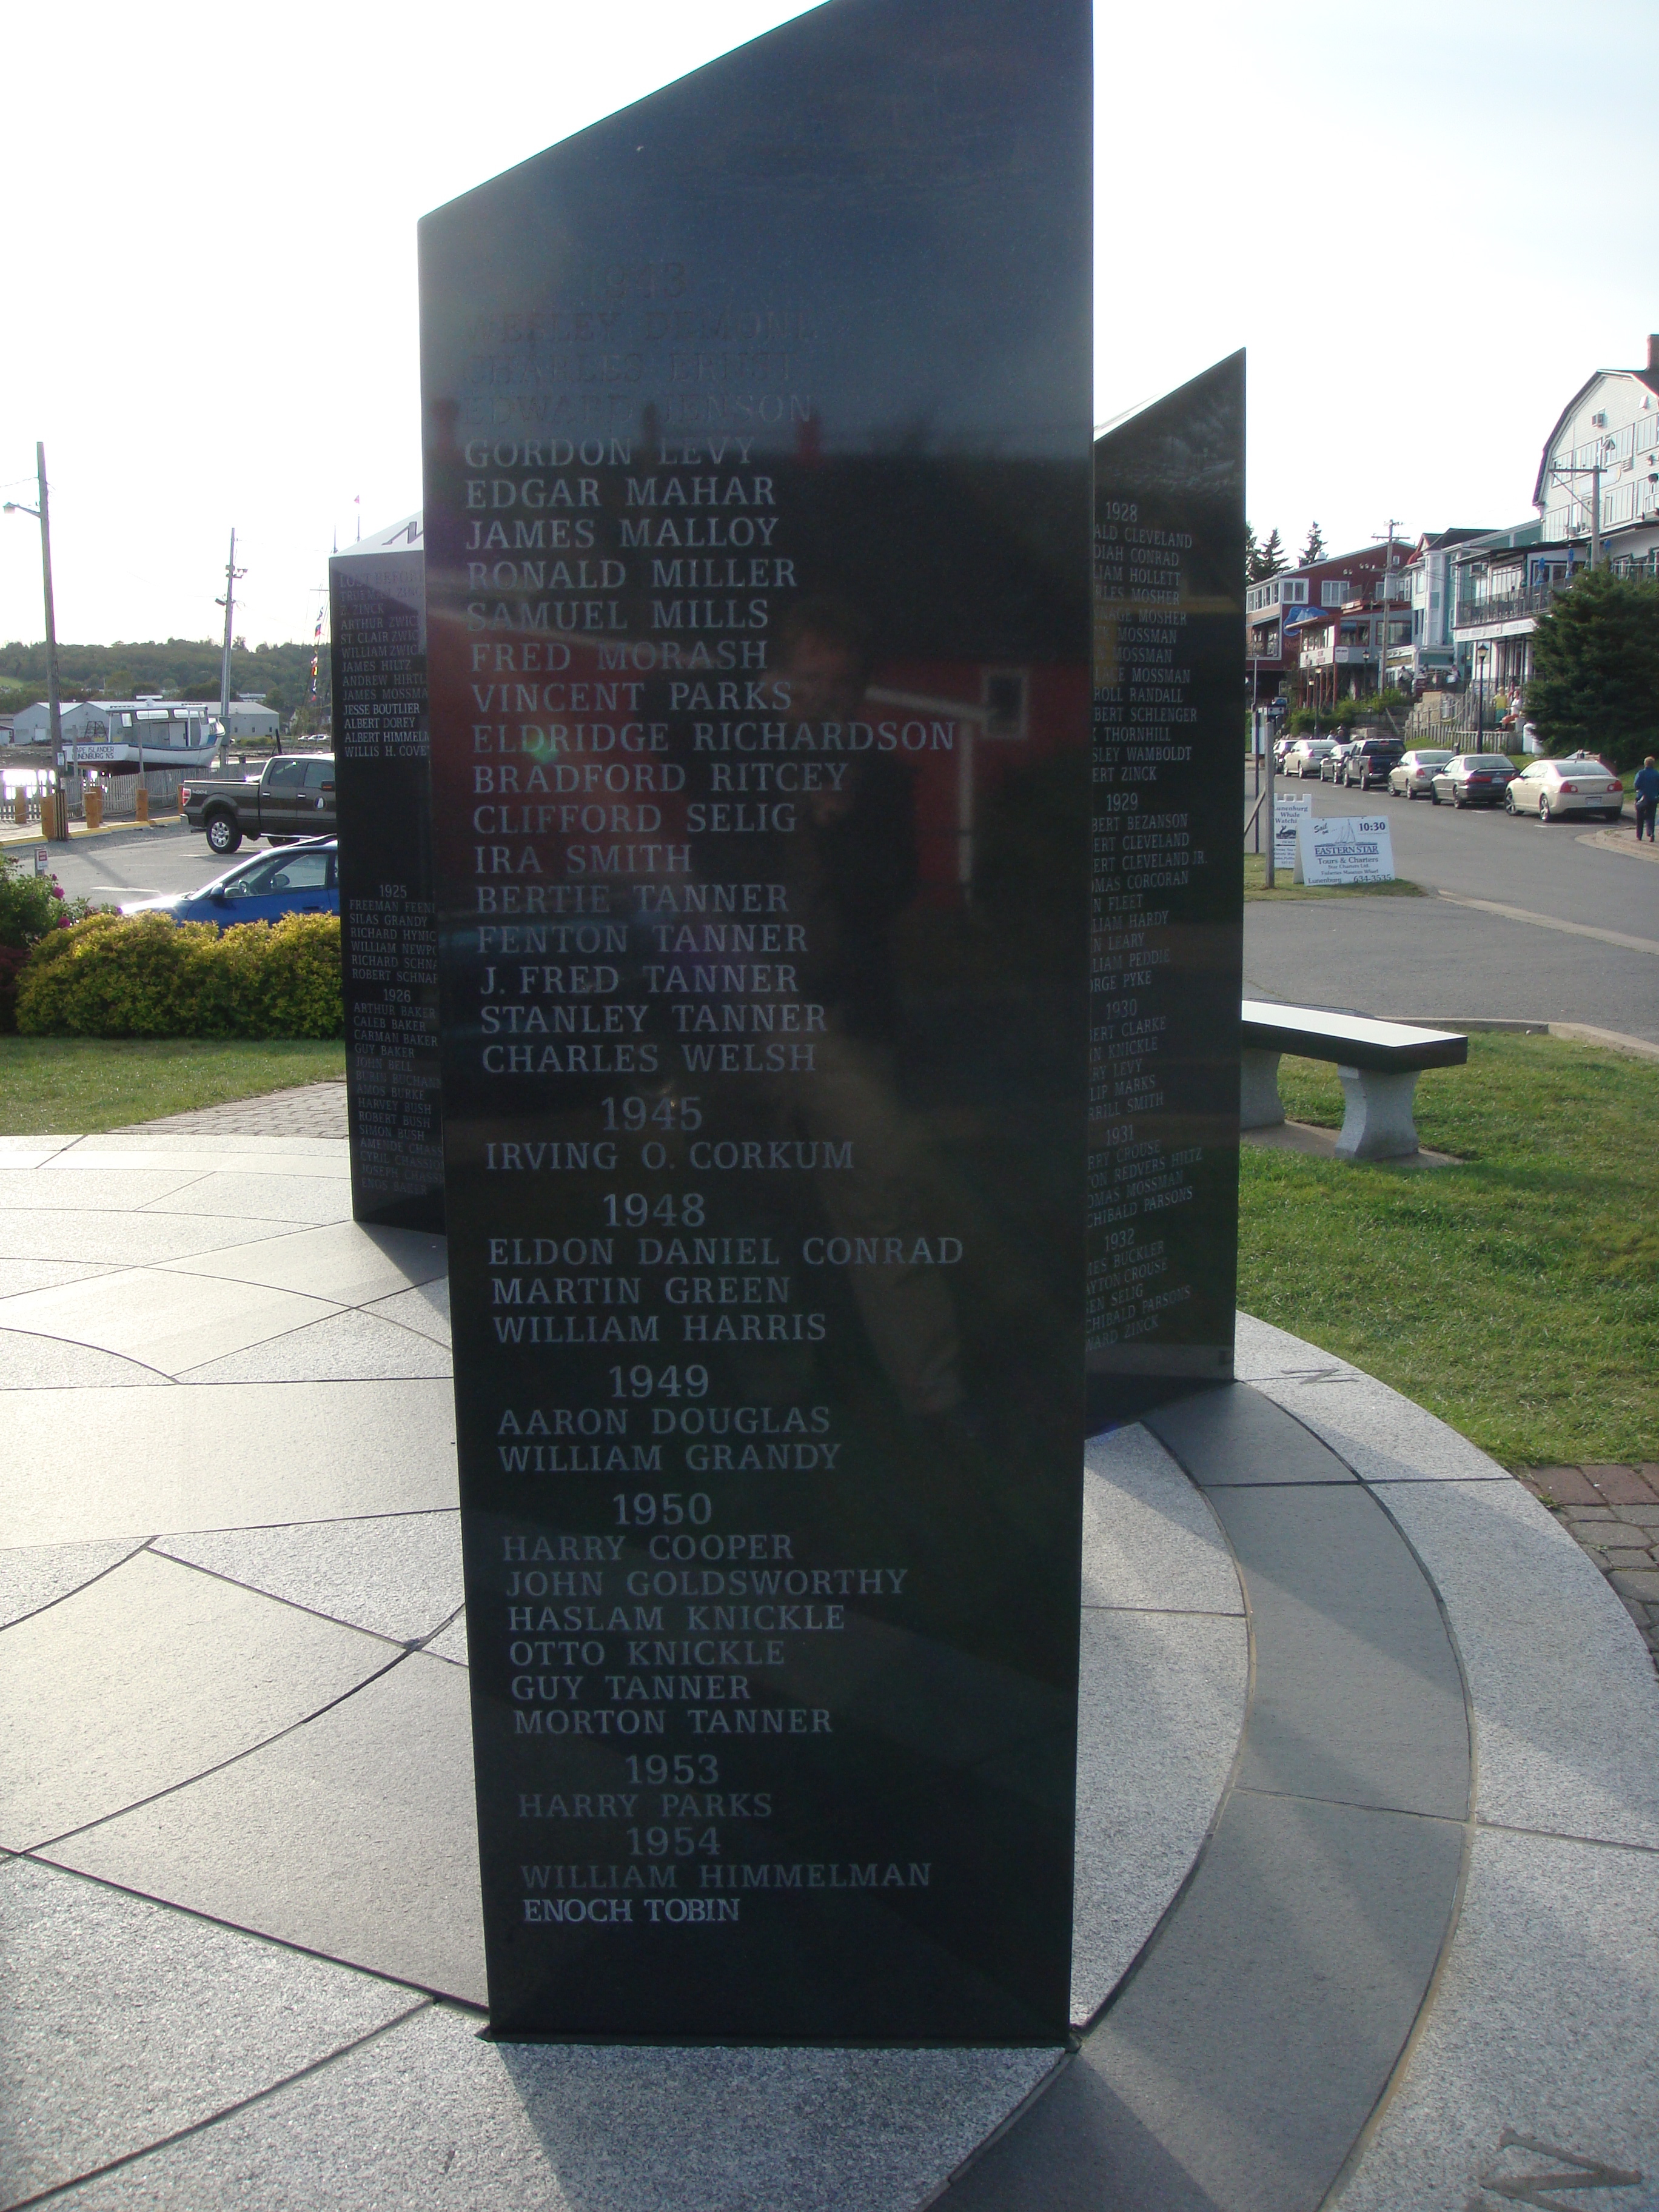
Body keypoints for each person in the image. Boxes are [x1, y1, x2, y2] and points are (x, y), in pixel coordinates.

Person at [1634, 755, 1659, 843]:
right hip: (1653, 798)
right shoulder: (1656, 774)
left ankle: (1639, 835)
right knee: (1651, 816)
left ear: (1645, 764)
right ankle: (1651, 833)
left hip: (1642, 798)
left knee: (1640, 817)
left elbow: (1636, 785)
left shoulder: (1641, 773)